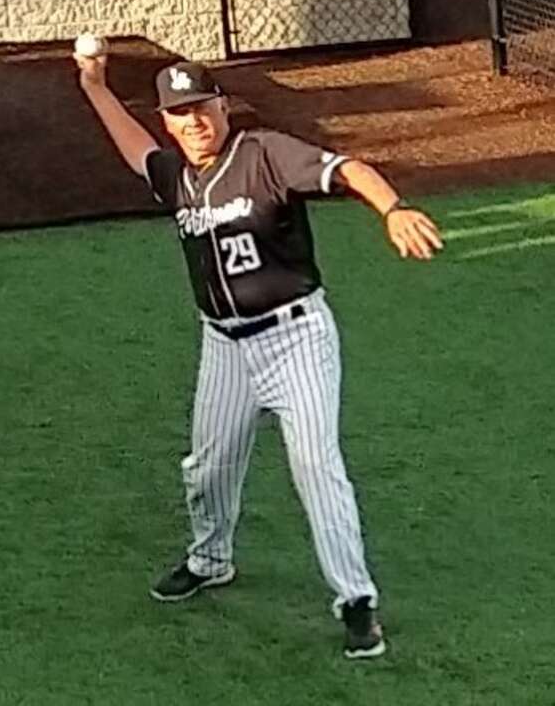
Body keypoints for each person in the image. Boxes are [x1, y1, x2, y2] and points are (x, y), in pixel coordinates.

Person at [74, 52, 443, 660]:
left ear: (222, 107)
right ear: (169, 122)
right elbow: (131, 145)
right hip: (223, 345)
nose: (194, 123)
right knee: (208, 466)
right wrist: (94, 86)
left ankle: (356, 602)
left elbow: (348, 168)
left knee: (315, 468)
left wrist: (393, 207)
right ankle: (211, 558)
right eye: (180, 114)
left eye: (202, 108)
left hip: (294, 337)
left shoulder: (263, 153)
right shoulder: (175, 177)